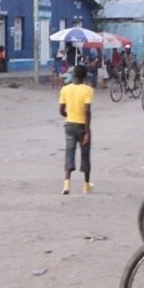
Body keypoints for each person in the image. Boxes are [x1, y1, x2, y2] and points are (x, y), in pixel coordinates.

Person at [58, 64, 93, 194]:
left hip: (69, 125)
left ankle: (67, 184)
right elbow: (87, 111)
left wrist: (69, 115)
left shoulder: (65, 89)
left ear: (74, 75)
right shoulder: (88, 90)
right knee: (85, 154)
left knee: (69, 153)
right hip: (82, 126)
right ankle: (86, 185)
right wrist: (87, 132)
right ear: (84, 77)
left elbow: (61, 110)